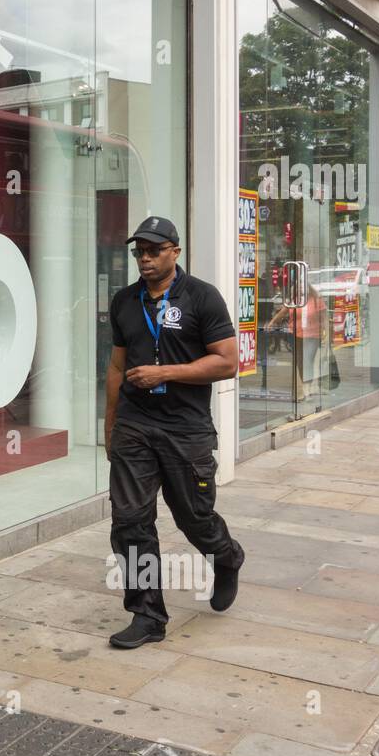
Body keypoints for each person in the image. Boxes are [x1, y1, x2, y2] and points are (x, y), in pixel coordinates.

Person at [104, 216, 244, 649]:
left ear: (174, 252)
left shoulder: (203, 298)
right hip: (135, 425)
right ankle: (147, 615)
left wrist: (168, 372)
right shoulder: (125, 301)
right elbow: (115, 366)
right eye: (138, 252)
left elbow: (227, 361)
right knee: (130, 522)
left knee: (193, 517)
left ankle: (226, 555)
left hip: (186, 429)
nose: (144, 259)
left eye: (153, 250)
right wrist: (109, 426)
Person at [263, 283, 326, 401]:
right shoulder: (295, 300)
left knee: (307, 360)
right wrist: (272, 322)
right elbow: (283, 312)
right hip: (297, 334)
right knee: (300, 362)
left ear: (308, 288)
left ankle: (307, 389)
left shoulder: (317, 300)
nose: (301, 289)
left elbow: (323, 317)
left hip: (313, 335)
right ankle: (305, 387)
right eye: (299, 288)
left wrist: (325, 332)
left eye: (303, 287)